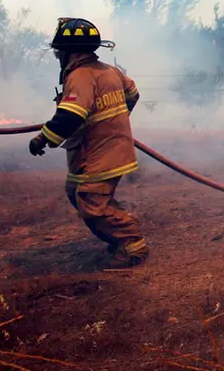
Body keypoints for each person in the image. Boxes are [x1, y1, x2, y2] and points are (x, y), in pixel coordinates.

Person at [28, 18, 149, 269]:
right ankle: (117, 237)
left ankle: (131, 244)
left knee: (91, 201)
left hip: (100, 152)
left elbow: (70, 116)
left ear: (69, 52)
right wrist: (115, 122)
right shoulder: (110, 71)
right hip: (106, 148)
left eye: (59, 52)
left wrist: (42, 139)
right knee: (75, 190)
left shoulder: (80, 76)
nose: (59, 57)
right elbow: (133, 94)